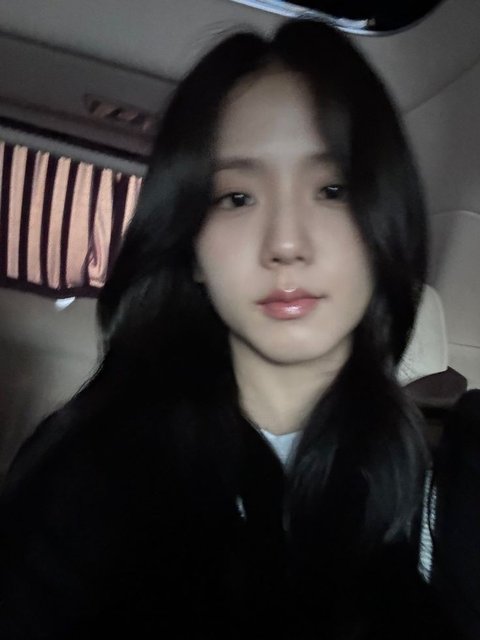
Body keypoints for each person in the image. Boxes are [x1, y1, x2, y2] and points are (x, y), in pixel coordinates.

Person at [0, 17, 478, 640]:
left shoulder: (445, 482)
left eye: (332, 189)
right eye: (236, 198)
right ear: (192, 247)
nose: (285, 243)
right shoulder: (88, 476)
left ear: (384, 219)